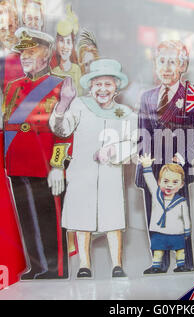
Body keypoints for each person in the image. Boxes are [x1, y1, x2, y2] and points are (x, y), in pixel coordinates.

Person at [49, 59, 137, 278]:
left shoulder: (125, 113)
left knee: (113, 219)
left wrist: (114, 151)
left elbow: (134, 142)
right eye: (98, 84)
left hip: (110, 174)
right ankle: (84, 265)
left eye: (108, 84)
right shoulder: (79, 105)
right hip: (82, 173)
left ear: (116, 86)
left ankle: (117, 264)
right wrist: (62, 105)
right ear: (90, 86)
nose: (103, 89)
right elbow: (61, 129)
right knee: (82, 218)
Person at [3, 27, 72, 279]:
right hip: (18, 162)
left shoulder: (60, 85)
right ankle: (38, 266)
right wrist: (6, 161)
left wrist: (58, 165)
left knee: (49, 218)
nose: (25, 57)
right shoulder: (12, 87)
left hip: (45, 164)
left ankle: (55, 269)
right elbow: (9, 126)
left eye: (31, 51)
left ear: (47, 54)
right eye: (22, 53)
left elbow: (67, 131)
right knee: (28, 218)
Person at [135, 40, 194, 274]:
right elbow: (141, 132)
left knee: (180, 216)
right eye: (161, 61)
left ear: (183, 66)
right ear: (154, 65)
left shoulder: (192, 97)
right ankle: (159, 262)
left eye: (172, 62)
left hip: (177, 168)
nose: (165, 67)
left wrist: (183, 157)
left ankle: (186, 261)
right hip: (152, 166)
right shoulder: (146, 96)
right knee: (154, 215)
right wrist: (142, 158)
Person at [138, 154, 191, 273]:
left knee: (180, 250)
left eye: (175, 182)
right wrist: (146, 166)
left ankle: (181, 265)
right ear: (159, 182)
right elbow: (150, 181)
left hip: (177, 231)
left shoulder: (181, 201)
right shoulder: (157, 196)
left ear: (181, 185)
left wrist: (187, 230)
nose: (169, 185)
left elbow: (185, 217)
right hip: (159, 232)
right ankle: (156, 266)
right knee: (158, 250)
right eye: (166, 181)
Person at [0, 0, 24, 93]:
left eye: (10, 26)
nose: (8, 33)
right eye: (3, 29)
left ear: (17, 25)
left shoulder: (28, 57)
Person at [51, 5, 83, 96]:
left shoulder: (78, 67)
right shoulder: (53, 67)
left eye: (69, 41)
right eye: (61, 41)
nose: (65, 46)